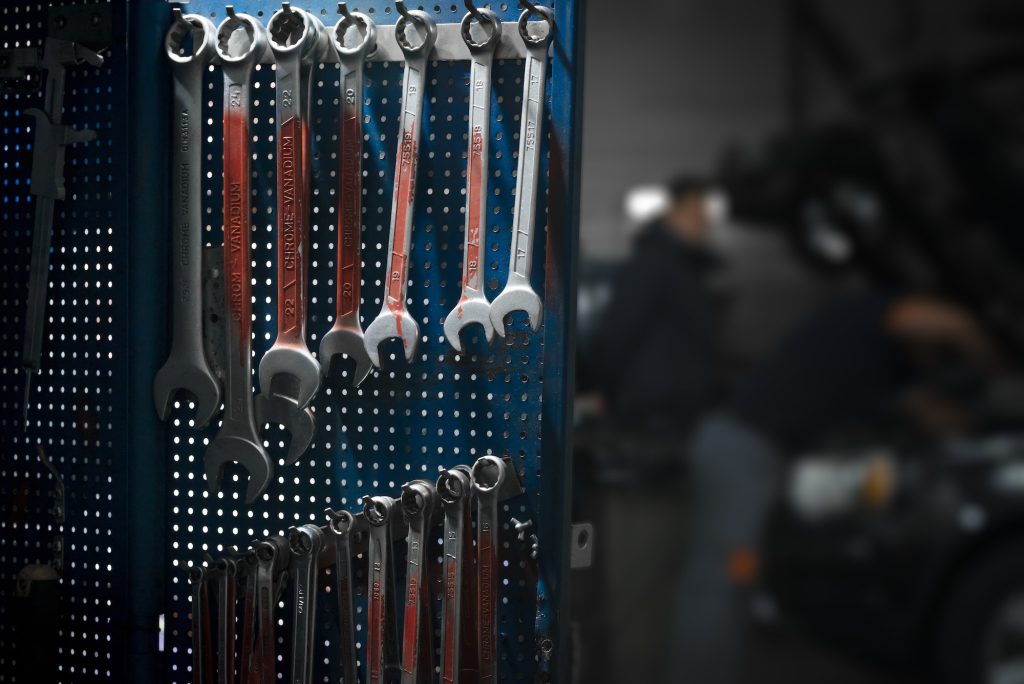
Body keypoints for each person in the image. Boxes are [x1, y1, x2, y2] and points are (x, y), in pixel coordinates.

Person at [669, 290, 1000, 684]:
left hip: (759, 458)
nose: (929, 359)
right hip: (740, 449)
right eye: (935, 350)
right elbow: (950, 323)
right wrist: (990, 358)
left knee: (735, 580)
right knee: (727, 576)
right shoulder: (872, 316)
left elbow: (933, 414)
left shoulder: (891, 373)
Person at [590, 176, 723, 434]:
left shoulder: (685, 267)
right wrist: (606, 389)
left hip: (676, 410)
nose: (704, 223)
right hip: (653, 413)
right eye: (695, 213)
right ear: (671, 212)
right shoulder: (654, 264)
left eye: (705, 215)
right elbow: (618, 331)